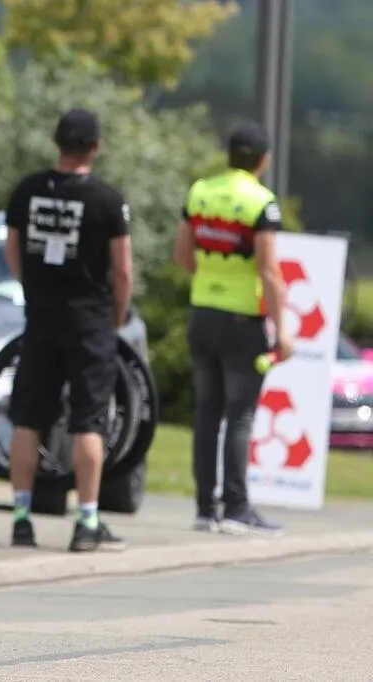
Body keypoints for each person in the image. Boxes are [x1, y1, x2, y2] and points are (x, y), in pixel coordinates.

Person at [2, 109, 133, 553]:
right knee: (89, 421)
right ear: (96, 147)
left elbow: (12, 249)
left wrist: (32, 287)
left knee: (28, 419)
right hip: (91, 321)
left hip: (41, 317)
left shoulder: (28, 190)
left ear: (56, 142)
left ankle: (21, 518)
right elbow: (123, 270)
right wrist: (116, 317)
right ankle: (87, 522)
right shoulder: (108, 201)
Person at [173, 121, 291, 536]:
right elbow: (270, 270)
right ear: (263, 159)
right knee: (239, 416)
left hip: (202, 310)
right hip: (243, 318)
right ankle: (238, 507)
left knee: (206, 413)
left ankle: (206, 508)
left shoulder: (200, 191)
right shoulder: (261, 201)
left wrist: (209, 278)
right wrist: (283, 330)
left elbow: (183, 255)